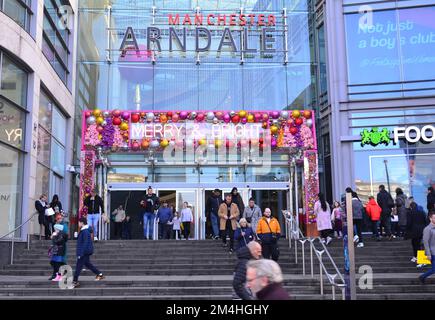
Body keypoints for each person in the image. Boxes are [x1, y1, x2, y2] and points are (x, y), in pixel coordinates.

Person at [72, 217, 105, 288]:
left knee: (78, 266)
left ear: (82, 223)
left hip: (83, 252)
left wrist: (81, 253)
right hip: (84, 252)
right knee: (88, 264)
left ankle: (75, 281)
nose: (78, 224)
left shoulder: (85, 231)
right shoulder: (84, 231)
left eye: (79, 222)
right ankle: (99, 274)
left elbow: (85, 243)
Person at [419, 211, 435, 284]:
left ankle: (423, 277)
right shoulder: (427, 229)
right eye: (434, 218)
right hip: (432, 252)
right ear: (430, 218)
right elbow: (425, 242)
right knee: (434, 269)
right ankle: (422, 276)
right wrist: (428, 254)